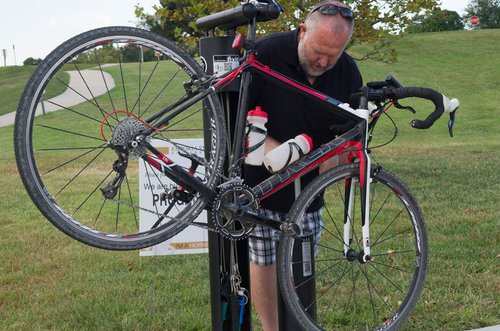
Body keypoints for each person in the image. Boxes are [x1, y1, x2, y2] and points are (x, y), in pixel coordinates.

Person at [244, 1, 363, 330]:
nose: (323, 62)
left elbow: (350, 132)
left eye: (333, 55)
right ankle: (271, 327)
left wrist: (337, 158)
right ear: (302, 32)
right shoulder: (267, 53)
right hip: (261, 186)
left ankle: (300, 323)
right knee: (264, 260)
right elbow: (236, 116)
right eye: (317, 52)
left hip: (310, 190)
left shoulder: (348, 71)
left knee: (302, 263)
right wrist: (275, 152)